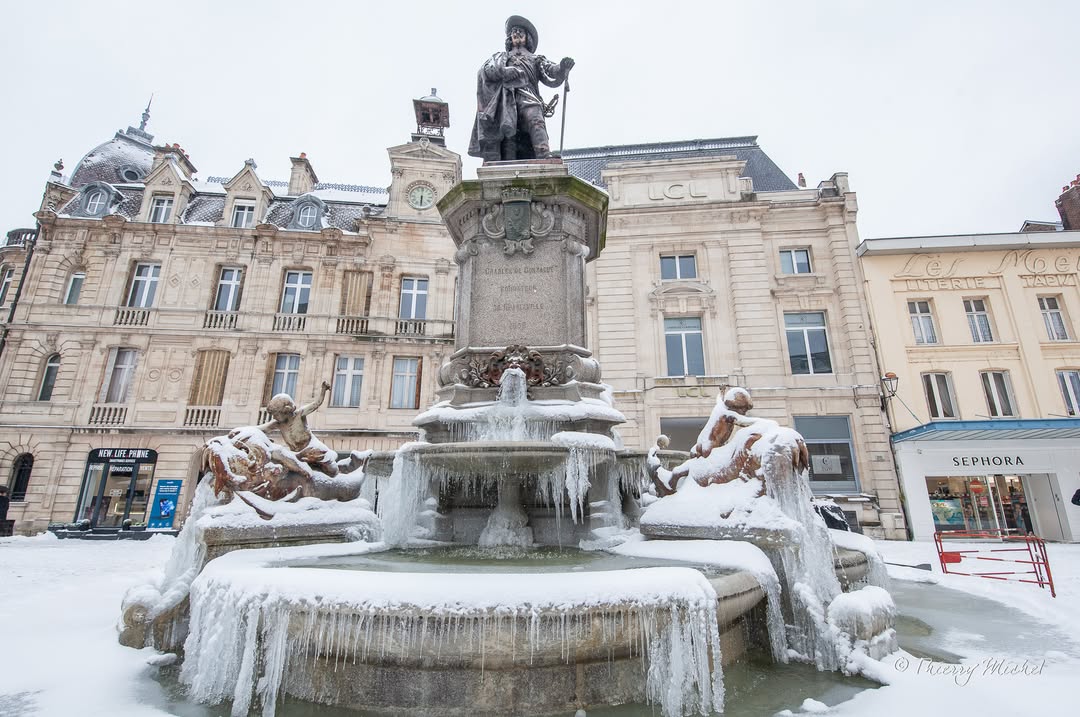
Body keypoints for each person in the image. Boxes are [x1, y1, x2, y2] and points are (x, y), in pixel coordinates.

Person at [468, 16, 574, 162]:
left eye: (520, 31)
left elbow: (551, 71)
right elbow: (486, 71)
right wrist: (504, 71)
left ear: (527, 37)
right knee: (509, 132)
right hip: (506, 97)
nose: (516, 33)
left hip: (529, 96)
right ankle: (508, 162)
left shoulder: (536, 59)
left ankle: (544, 154)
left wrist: (562, 67)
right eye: (514, 32)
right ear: (510, 38)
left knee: (535, 119)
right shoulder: (500, 57)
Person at [239, 381, 338, 476]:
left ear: (286, 410)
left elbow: (316, 404)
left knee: (332, 470)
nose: (274, 417)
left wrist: (323, 390)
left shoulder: (300, 415)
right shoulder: (278, 423)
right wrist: (242, 431)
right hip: (296, 454)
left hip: (312, 448)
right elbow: (261, 429)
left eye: (276, 414)